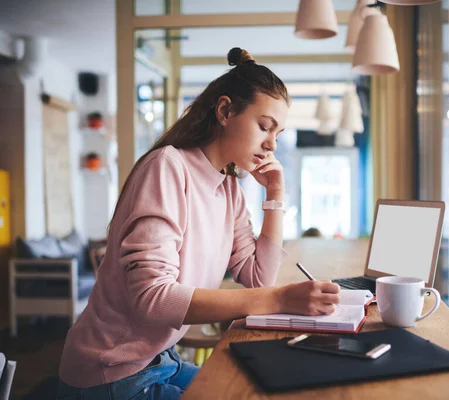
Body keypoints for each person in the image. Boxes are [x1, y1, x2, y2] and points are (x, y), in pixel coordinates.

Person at [57, 48, 341, 400]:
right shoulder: (167, 168)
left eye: (277, 134)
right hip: (113, 372)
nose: (271, 144)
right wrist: (281, 298)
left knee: (258, 390)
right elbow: (153, 298)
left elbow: (257, 278)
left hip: (160, 359)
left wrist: (275, 196)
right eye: (264, 127)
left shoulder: (228, 188)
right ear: (225, 111)